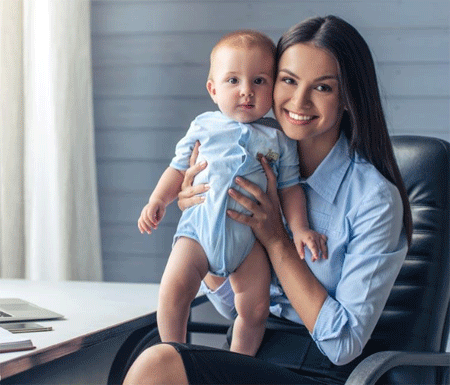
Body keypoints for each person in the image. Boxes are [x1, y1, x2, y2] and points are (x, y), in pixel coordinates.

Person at [126, 15, 413, 385]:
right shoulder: (251, 161)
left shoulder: (374, 198)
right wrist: (209, 222)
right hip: (249, 353)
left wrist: (277, 239)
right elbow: (232, 305)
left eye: (322, 88)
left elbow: (343, 343)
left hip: (317, 370)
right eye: (289, 81)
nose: (299, 100)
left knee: (159, 364)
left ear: (347, 98)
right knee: (153, 357)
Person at [137, 30, 327, 358]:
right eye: (233, 81)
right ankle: (174, 353)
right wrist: (159, 200)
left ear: (274, 87)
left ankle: (239, 365)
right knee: (173, 290)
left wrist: (299, 229)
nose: (246, 92)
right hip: (197, 234)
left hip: (249, 242)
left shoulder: (279, 138)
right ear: (212, 89)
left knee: (255, 309)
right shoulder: (203, 126)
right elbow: (178, 169)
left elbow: (289, 187)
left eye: (259, 81)